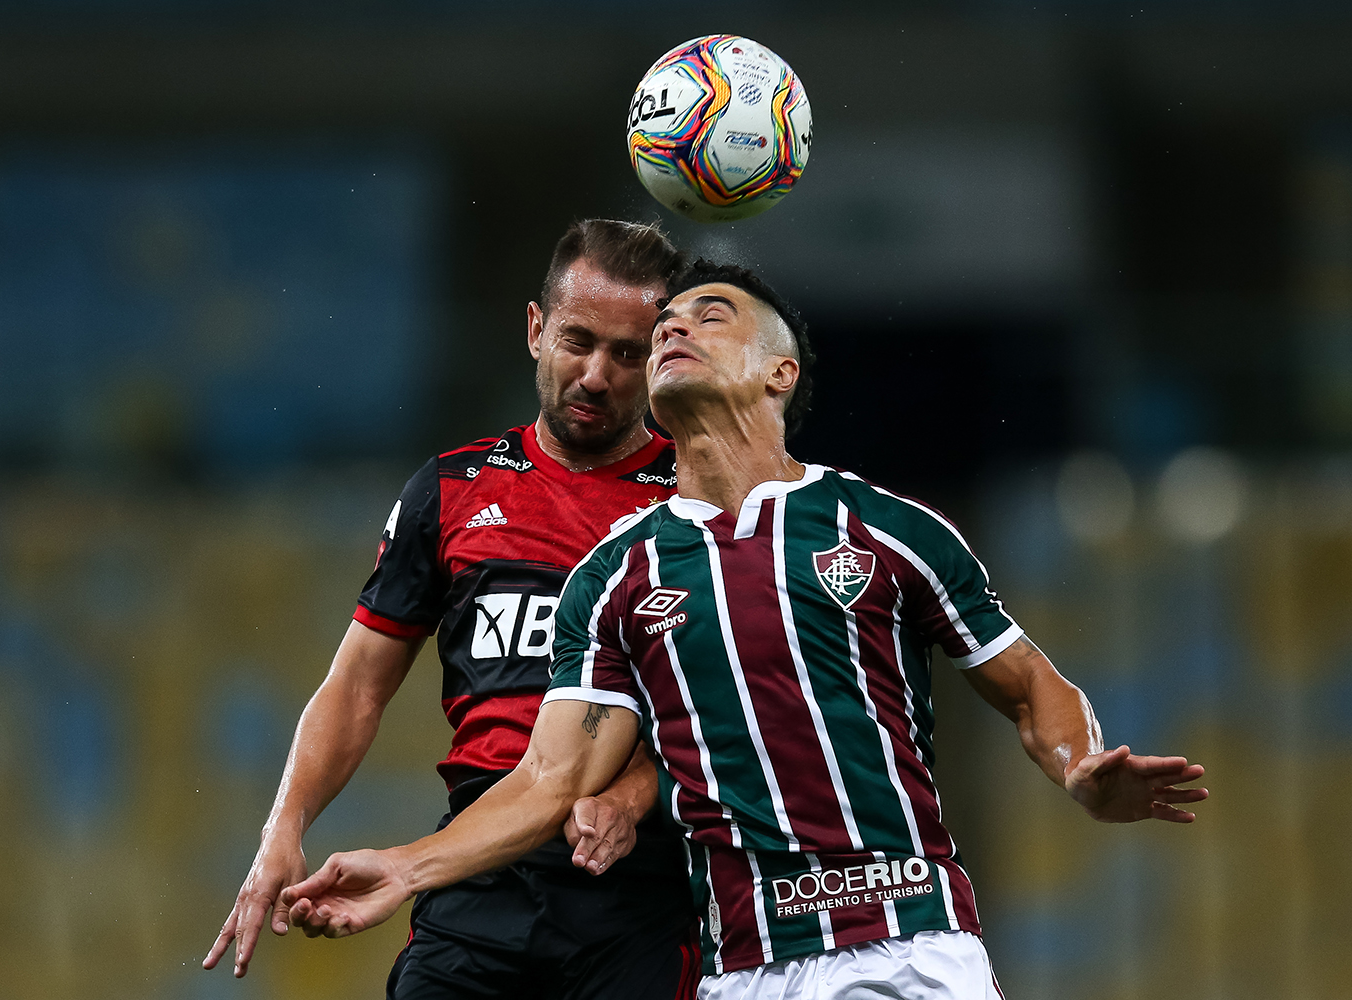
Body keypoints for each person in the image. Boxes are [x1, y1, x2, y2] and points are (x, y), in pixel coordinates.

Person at [275, 260, 1209, 999]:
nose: (676, 325)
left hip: (909, 943)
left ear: (779, 371)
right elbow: (548, 778)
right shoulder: (615, 574)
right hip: (742, 965)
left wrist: (1081, 770)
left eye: (709, 315)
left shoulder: (886, 529)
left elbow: (1030, 685)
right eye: (668, 322)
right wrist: (404, 870)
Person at [203, 220, 703, 1000]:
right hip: (478, 868)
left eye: (628, 353)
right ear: (535, 329)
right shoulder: (451, 491)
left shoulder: (698, 503)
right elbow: (357, 686)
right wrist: (286, 826)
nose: (597, 375)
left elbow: (727, 709)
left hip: (633, 886)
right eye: (578, 341)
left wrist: (635, 792)